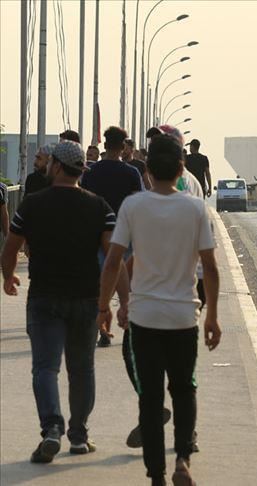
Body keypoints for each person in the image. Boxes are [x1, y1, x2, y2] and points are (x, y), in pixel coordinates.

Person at [97, 134, 220, 486]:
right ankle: (182, 459)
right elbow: (209, 268)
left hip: (144, 318)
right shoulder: (196, 209)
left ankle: (156, 477)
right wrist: (212, 316)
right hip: (184, 317)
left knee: (150, 398)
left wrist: (104, 307)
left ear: (147, 169)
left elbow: (114, 262)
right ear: (181, 168)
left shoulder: (133, 207)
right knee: (185, 388)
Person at [1, 140, 129, 463]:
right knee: (82, 369)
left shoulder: (31, 204)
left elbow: (10, 248)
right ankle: (79, 436)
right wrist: (117, 302)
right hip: (86, 299)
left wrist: (8, 276)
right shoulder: (99, 207)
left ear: (56, 166)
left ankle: (51, 429)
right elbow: (115, 258)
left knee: (45, 367)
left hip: (44, 297)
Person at [81, 126, 144, 347]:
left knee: (102, 283)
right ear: (123, 147)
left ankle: (103, 330)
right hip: (124, 234)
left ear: (105, 146)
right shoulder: (131, 173)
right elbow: (138, 204)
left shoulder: (91, 172)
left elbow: (85, 202)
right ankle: (131, 326)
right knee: (128, 283)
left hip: (97, 234)